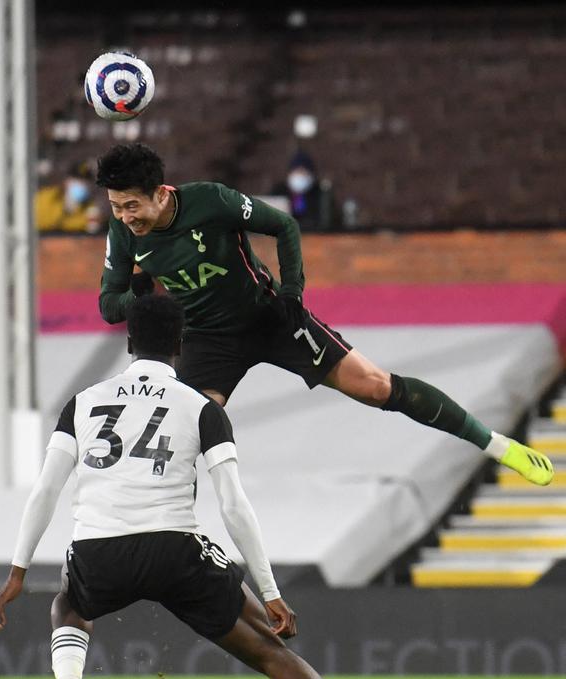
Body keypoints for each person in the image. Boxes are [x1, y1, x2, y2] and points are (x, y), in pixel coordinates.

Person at [0, 294, 404, 679]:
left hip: (98, 549)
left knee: (69, 604)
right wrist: (270, 592)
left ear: (128, 342)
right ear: (181, 343)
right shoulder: (200, 407)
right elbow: (232, 504)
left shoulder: (82, 403)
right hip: (174, 551)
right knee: (269, 650)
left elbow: (45, 491)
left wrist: (17, 572)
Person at [94, 143, 554, 488]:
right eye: (116, 207)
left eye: (132, 205)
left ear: (159, 194)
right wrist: (137, 293)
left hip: (271, 319)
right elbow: (109, 306)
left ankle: (497, 445)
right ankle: (176, 547)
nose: (125, 216)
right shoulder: (124, 234)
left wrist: (292, 290)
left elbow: (284, 226)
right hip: (206, 341)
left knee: (375, 387)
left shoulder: (211, 201)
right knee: (188, 436)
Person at [35, 160, 104, 234]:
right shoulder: (44, 198)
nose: (82, 185)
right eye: (77, 180)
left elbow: (92, 235)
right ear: (66, 181)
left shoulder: (91, 211)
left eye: (85, 182)